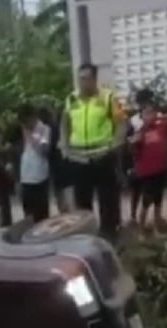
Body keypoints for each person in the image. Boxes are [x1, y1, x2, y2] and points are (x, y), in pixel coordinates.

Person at [60, 63, 127, 240]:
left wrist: (115, 145)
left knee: (108, 201)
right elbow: (64, 123)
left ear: (95, 79)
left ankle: (110, 237)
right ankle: (86, 238)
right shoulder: (71, 99)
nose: (83, 83)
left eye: (86, 79)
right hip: (79, 158)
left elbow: (121, 123)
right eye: (80, 79)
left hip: (102, 156)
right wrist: (65, 146)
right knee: (82, 203)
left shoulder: (107, 97)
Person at [129, 102, 167, 235]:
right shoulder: (139, 132)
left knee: (158, 199)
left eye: (152, 112)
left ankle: (157, 225)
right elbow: (133, 152)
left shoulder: (161, 126)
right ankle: (141, 229)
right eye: (146, 113)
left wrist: (160, 117)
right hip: (147, 172)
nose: (150, 115)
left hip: (160, 169)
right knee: (146, 201)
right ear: (141, 116)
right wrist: (134, 143)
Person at [18, 103, 52, 222]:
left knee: (41, 212)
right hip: (25, 176)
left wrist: (32, 135)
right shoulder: (22, 129)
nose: (26, 125)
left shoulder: (43, 129)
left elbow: (43, 150)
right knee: (28, 212)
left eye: (27, 121)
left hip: (39, 176)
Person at [126, 89, 155, 226]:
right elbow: (128, 140)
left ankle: (150, 218)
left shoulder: (155, 116)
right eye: (144, 101)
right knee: (136, 190)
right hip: (137, 161)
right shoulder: (133, 120)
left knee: (150, 191)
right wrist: (130, 165)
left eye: (149, 100)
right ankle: (132, 216)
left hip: (151, 161)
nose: (147, 103)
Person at [39, 106, 72, 213]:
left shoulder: (46, 129)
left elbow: (46, 148)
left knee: (59, 192)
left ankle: (63, 210)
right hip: (63, 162)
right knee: (64, 192)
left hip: (54, 163)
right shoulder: (57, 127)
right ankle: (66, 210)